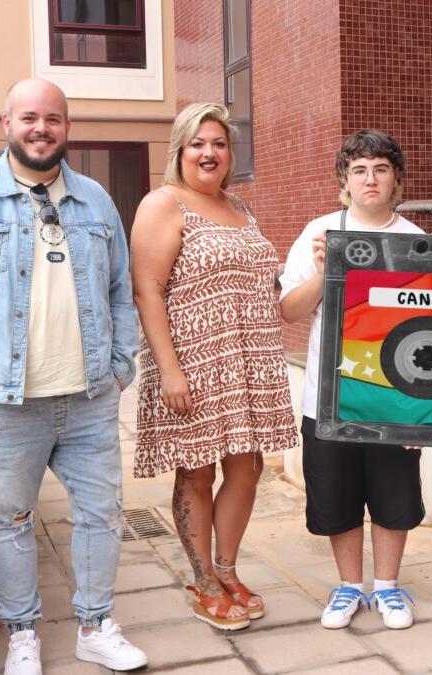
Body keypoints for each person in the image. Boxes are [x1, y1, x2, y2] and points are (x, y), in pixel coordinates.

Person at [0, 79, 147, 675]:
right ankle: (23, 635)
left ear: (68, 127)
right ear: (7, 123)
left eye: (54, 119)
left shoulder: (96, 200)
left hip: (90, 397)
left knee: (103, 516)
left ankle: (96, 626)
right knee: (11, 521)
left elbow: (122, 292)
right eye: (29, 118)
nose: (41, 129)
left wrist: (121, 367)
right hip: (6, 404)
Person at [130, 103, 298, 631]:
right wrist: (170, 370)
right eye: (198, 143)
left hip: (247, 362)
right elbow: (147, 291)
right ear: (180, 151)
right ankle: (202, 581)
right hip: (193, 362)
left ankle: (227, 570)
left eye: (219, 144)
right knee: (197, 471)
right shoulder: (164, 204)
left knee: (246, 469)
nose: (209, 153)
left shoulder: (240, 206)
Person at [279, 130, 425, 630]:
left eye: (380, 169)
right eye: (359, 169)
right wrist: (324, 271)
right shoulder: (319, 232)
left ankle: (386, 587)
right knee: (336, 496)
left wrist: (422, 411)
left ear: (396, 180)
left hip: (394, 398)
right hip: (330, 395)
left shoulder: (416, 241)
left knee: (393, 494)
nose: (370, 178)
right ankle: (349, 587)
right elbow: (287, 310)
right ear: (345, 179)